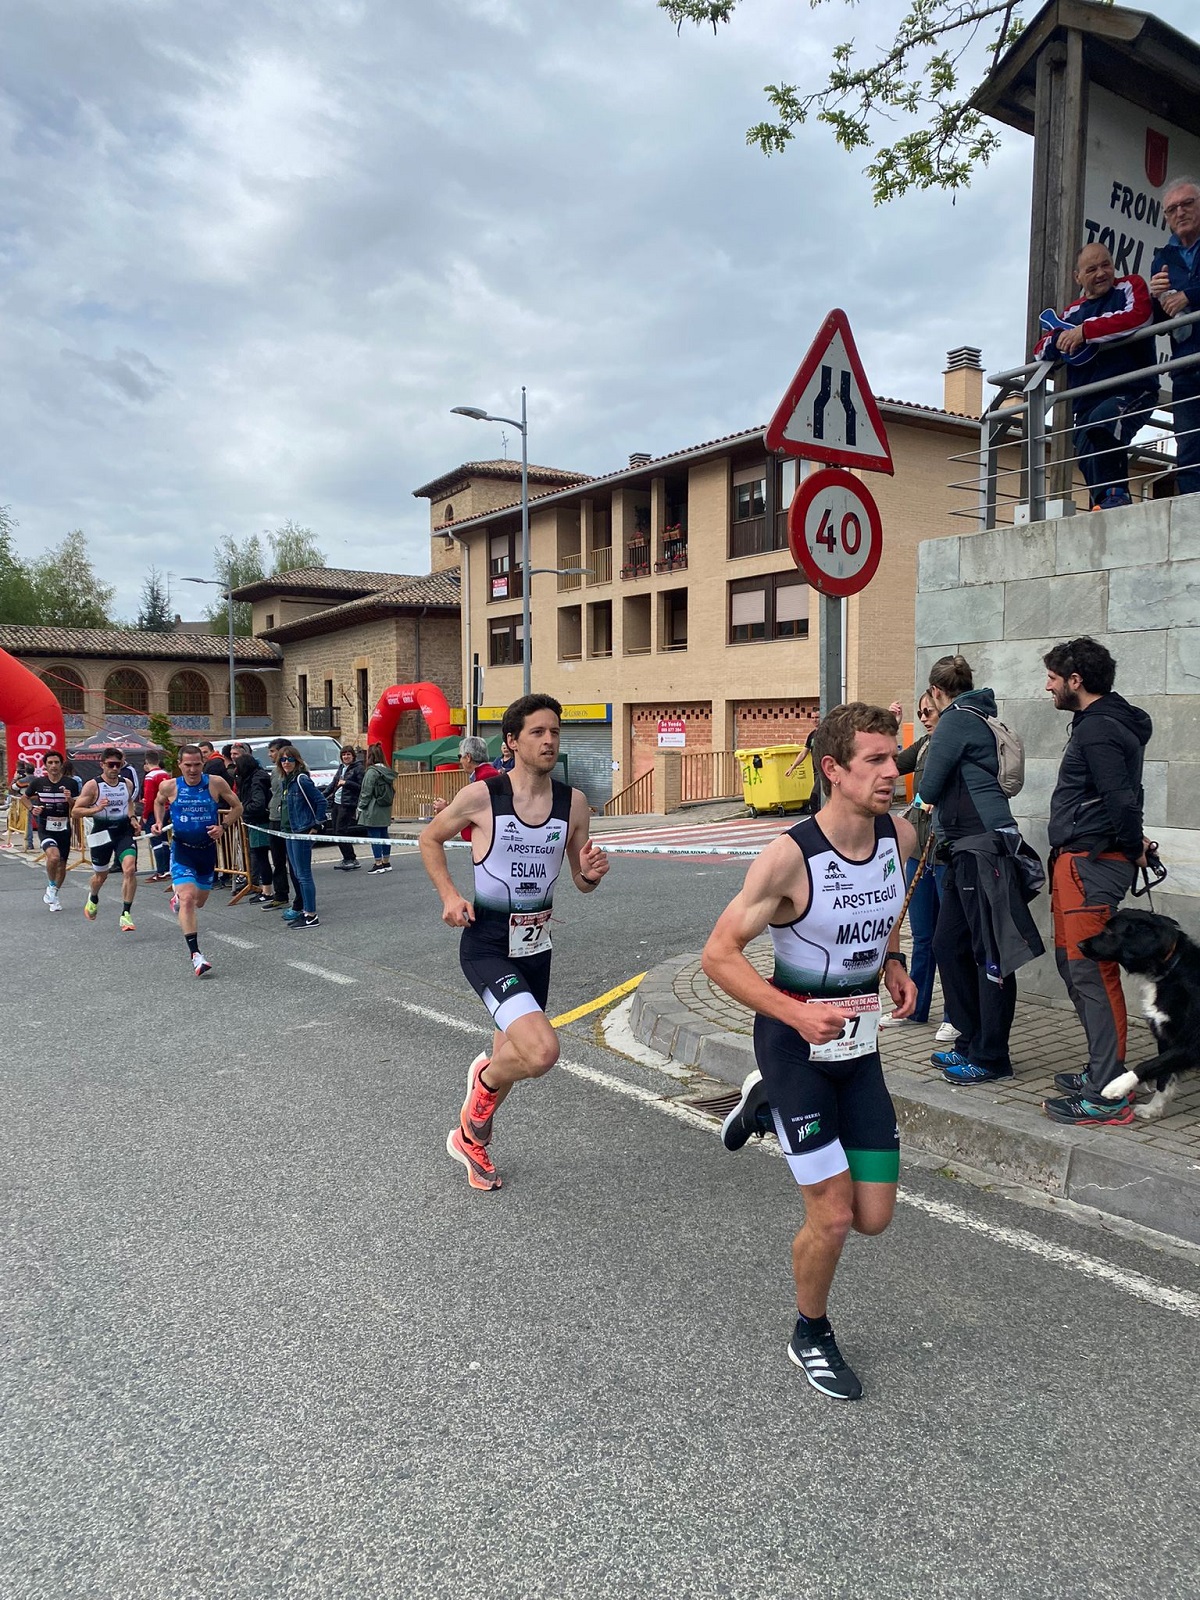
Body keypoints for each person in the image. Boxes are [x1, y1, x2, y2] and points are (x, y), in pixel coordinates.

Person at [702, 703, 918, 1403]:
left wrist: (892, 961)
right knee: (831, 1216)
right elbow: (718, 956)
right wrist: (795, 1012)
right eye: (876, 761)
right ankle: (810, 1331)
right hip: (795, 1045)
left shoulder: (902, 837)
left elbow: (886, 906)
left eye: (895, 758)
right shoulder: (789, 859)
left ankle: (760, 1103)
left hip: (859, 1050)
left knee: (875, 1216)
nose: (893, 772)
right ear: (833, 770)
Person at [418, 693, 610, 1193]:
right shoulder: (484, 796)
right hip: (486, 945)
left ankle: (471, 1138)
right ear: (512, 741)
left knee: (516, 1055)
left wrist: (589, 875)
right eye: (537, 733)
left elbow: (581, 879)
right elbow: (429, 838)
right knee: (541, 1052)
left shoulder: (574, 803)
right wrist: (449, 895)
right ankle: (477, 1097)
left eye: (554, 732)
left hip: (536, 948)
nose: (549, 741)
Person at [1038, 638, 1153, 1128]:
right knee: (1073, 966)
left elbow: (1121, 800)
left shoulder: (1100, 729)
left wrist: (1128, 846)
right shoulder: (1101, 723)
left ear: (1075, 681)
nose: (1048, 686)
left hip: (1091, 863)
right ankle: (1102, 1068)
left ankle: (1107, 1091)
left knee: (1092, 972)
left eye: (1052, 678)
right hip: (1081, 860)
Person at [917, 656, 1044, 1086]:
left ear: (936, 692)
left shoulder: (956, 720)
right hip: (964, 849)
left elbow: (928, 787)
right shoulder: (971, 717)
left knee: (991, 953)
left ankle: (992, 1057)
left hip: (981, 847)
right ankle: (969, 1040)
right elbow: (912, 761)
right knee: (947, 943)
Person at [1034, 243, 1155, 511]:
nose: (1101, 273)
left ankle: (1116, 496)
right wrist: (1062, 339)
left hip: (1134, 389)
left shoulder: (1130, 286)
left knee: (1106, 423)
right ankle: (1103, 503)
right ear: (1078, 277)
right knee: (1086, 446)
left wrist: (1084, 333)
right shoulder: (1071, 313)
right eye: (1092, 269)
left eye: (1106, 265)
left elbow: (1139, 316)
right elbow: (1040, 350)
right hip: (1086, 403)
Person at [880, 695, 954, 1041]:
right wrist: (891, 725)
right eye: (921, 712)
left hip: (946, 854)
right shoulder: (924, 745)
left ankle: (956, 1014)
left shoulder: (957, 743)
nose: (924, 717)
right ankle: (916, 1005)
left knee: (949, 939)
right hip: (919, 853)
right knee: (922, 935)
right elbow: (893, 763)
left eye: (930, 711)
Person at [154, 744, 243, 977]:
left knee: (199, 902)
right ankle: (196, 955)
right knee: (188, 900)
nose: (192, 770)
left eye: (196, 765)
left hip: (206, 851)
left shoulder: (215, 783)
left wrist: (223, 826)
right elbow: (158, 800)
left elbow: (237, 807)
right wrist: (158, 821)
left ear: (202, 764)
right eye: (187, 765)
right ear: (180, 765)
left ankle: (179, 897)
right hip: (182, 849)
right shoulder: (170, 785)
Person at [1151, 175, 1200, 499]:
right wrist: (1157, 300)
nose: (1179, 212)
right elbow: (1160, 320)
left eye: (1187, 204)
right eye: (1172, 209)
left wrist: (1189, 296)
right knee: (1190, 451)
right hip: (1185, 368)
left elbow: (1184, 299)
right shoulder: (1162, 258)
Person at [72, 747, 142, 930]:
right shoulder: (93, 785)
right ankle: (93, 896)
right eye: (111, 764)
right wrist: (95, 809)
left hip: (122, 832)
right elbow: (75, 811)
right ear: (102, 765)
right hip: (101, 833)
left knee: (129, 869)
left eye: (118, 765)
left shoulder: (126, 783)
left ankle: (126, 914)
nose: (114, 768)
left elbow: (129, 803)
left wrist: (133, 819)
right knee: (100, 876)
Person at [277, 744, 326, 928]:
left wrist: (316, 825)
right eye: (282, 759)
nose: (286, 762)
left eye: (289, 759)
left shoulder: (301, 780)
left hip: (301, 830)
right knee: (297, 873)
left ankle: (311, 914)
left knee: (304, 875)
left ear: (296, 760)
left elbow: (320, 801)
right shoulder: (287, 781)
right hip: (289, 831)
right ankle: (305, 910)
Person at [26, 749, 80, 911]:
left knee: (62, 863)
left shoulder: (71, 783)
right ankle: (50, 885)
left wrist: (69, 799)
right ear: (45, 766)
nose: (54, 765)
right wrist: (32, 809)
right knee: (54, 857)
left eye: (56, 762)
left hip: (64, 827)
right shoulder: (38, 782)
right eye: (50, 763)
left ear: (61, 764)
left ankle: (54, 894)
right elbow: (24, 797)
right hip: (45, 826)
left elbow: (76, 806)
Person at [432, 735, 502, 841]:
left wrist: (445, 810)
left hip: (485, 840)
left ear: (468, 757)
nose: (460, 761)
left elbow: (473, 814)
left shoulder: (484, 778)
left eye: (460, 756)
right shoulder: (489, 774)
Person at [232, 743, 274, 900]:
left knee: (261, 857)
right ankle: (266, 890)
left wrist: (242, 808)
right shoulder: (254, 777)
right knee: (261, 857)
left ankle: (267, 891)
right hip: (257, 821)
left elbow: (257, 803)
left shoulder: (256, 780)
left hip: (259, 822)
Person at [260, 737, 294, 911]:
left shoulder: (294, 772)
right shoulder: (274, 772)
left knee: (294, 864)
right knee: (278, 861)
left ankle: (302, 901)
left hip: (287, 822)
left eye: (273, 751)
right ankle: (280, 895)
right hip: (274, 818)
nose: (269, 754)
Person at [356, 743, 397, 871]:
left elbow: (366, 792)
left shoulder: (372, 772)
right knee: (384, 834)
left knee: (375, 836)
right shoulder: (387, 771)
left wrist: (360, 807)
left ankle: (378, 863)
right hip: (385, 807)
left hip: (373, 808)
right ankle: (386, 862)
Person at [325, 745, 363, 869]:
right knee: (336, 832)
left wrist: (347, 783)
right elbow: (334, 783)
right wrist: (322, 795)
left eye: (348, 754)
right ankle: (348, 857)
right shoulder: (341, 767)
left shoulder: (358, 768)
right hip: (336, 802)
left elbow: (361, 786)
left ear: (353, 756)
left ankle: (351, 858)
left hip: (348, 803)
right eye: (344, 754)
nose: (346, 757)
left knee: (341, 831)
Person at [141, 750, 172, 881]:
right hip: (167, 809)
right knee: (164, 839)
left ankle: (160, 871)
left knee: (156, 840)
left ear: (146, 763)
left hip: (155, 811)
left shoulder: (150, 776)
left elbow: (149, 797)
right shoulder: (165, 774)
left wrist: (145, 814)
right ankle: (168, 869)